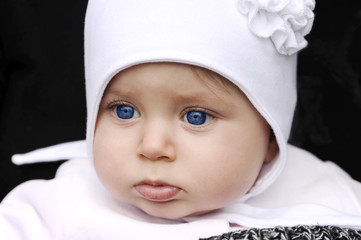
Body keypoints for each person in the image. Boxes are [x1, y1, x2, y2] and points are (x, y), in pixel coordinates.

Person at [1, 0, 361, 239]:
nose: (153, 147)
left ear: (270, 137)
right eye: (124, 111)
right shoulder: (51, 211)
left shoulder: (332, 199)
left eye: (196, 116)